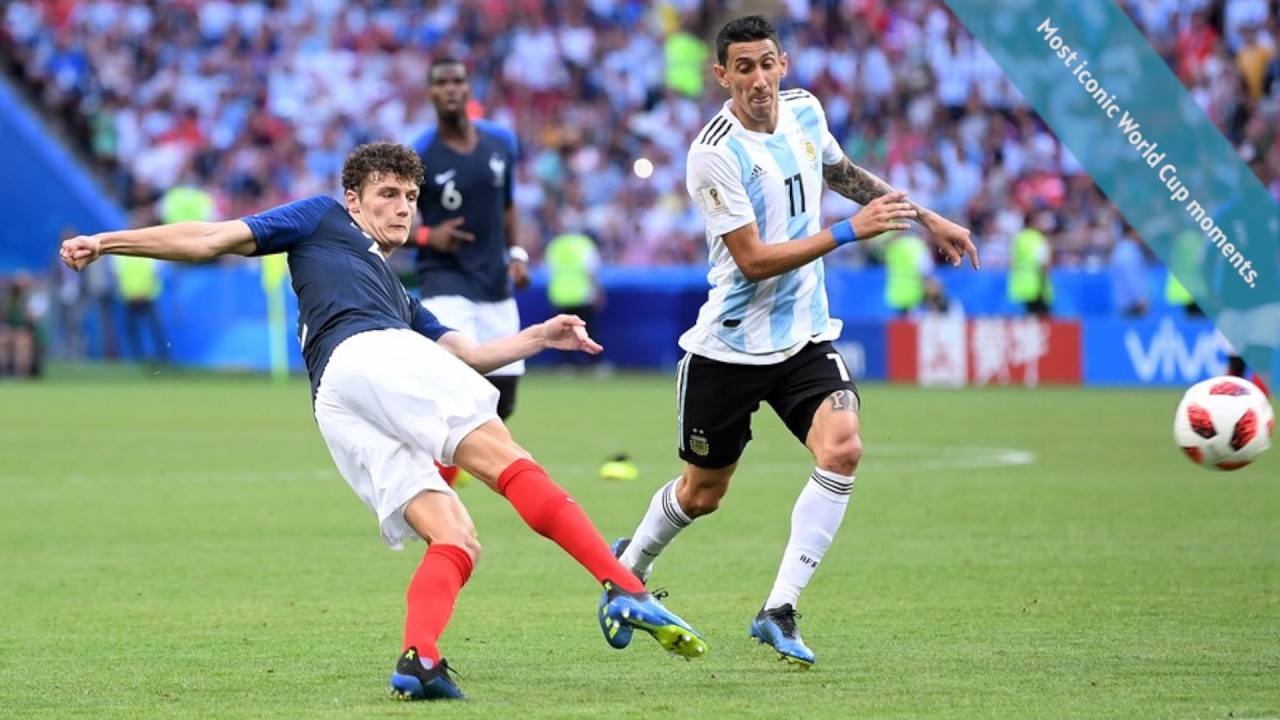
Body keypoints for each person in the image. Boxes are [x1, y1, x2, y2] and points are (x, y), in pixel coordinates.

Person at [60, 142, 706, 702]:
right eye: (388, 194)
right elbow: (210, 239)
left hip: (336, 398)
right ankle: (623, 585)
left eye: (410, 197)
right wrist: (108, 242)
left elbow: (469, 353)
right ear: (353, 200)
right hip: (368, 356)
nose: (403, 208)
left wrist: (538, 335)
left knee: (455, 537)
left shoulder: (396, 293)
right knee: (504, 457)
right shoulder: (321, 218)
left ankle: (420, 660)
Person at [610, 15, 978, 670]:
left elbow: (843, 174)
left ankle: (778, 608)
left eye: (766, 64)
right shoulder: (713, 153)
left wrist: (926, 218)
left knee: (844, 448)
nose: (758, 79)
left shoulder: (806, 110)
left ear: (783, 63)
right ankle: (627, 571)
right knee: (702, 494)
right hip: (729, 348)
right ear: (721, 75)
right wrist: (848, 232)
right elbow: (752, 260)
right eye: (743, 68)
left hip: (805, 334)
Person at [410, 58, 529, 422]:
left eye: (457, 81)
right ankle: (435, 457)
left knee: (503, 400)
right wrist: (429, 235)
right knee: (457, 388)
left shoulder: (501, 142)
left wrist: (517, 253)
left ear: (468, 88)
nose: (450, 88)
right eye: (441, 82)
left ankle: (460, 454)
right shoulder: (419, 154)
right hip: (445, 281)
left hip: (494, 281)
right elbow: (388, 222)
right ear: (430, 93)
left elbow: (508, 204)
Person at [544, 226, 604, 370]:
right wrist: (597, 291)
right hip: (582, 295)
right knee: (588, 330)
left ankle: (566, 364)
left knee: (563, 332)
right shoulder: (585, 244)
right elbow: (591, 271)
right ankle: (594, 362)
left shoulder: (555, 245)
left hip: (561, 295)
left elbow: (549, 269)